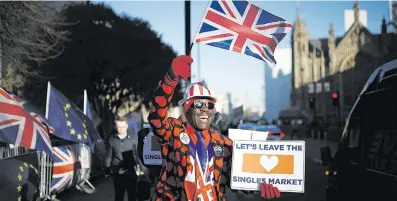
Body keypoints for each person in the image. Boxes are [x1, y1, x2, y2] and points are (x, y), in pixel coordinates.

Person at [148, 55, 280, 201]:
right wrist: (170, 79)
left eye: (209, 105)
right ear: (187, 109)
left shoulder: (223, 142)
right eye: (198, 104)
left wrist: (259, 185)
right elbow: (156, 118)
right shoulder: (174, 131)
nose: (205, 109)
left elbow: (237, 178)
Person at [104, 116, 148, 201]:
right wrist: (107, 170)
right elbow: (109, 156)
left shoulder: (133, 138)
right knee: (119, 195)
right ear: (115, 126)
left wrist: (143, 168)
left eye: (123, 126)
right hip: (117, 173)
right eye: (118, 127)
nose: (121, 129)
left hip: (131, 172)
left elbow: (137, 154)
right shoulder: (111, 140)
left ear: (127, 126)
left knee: (132, 195)